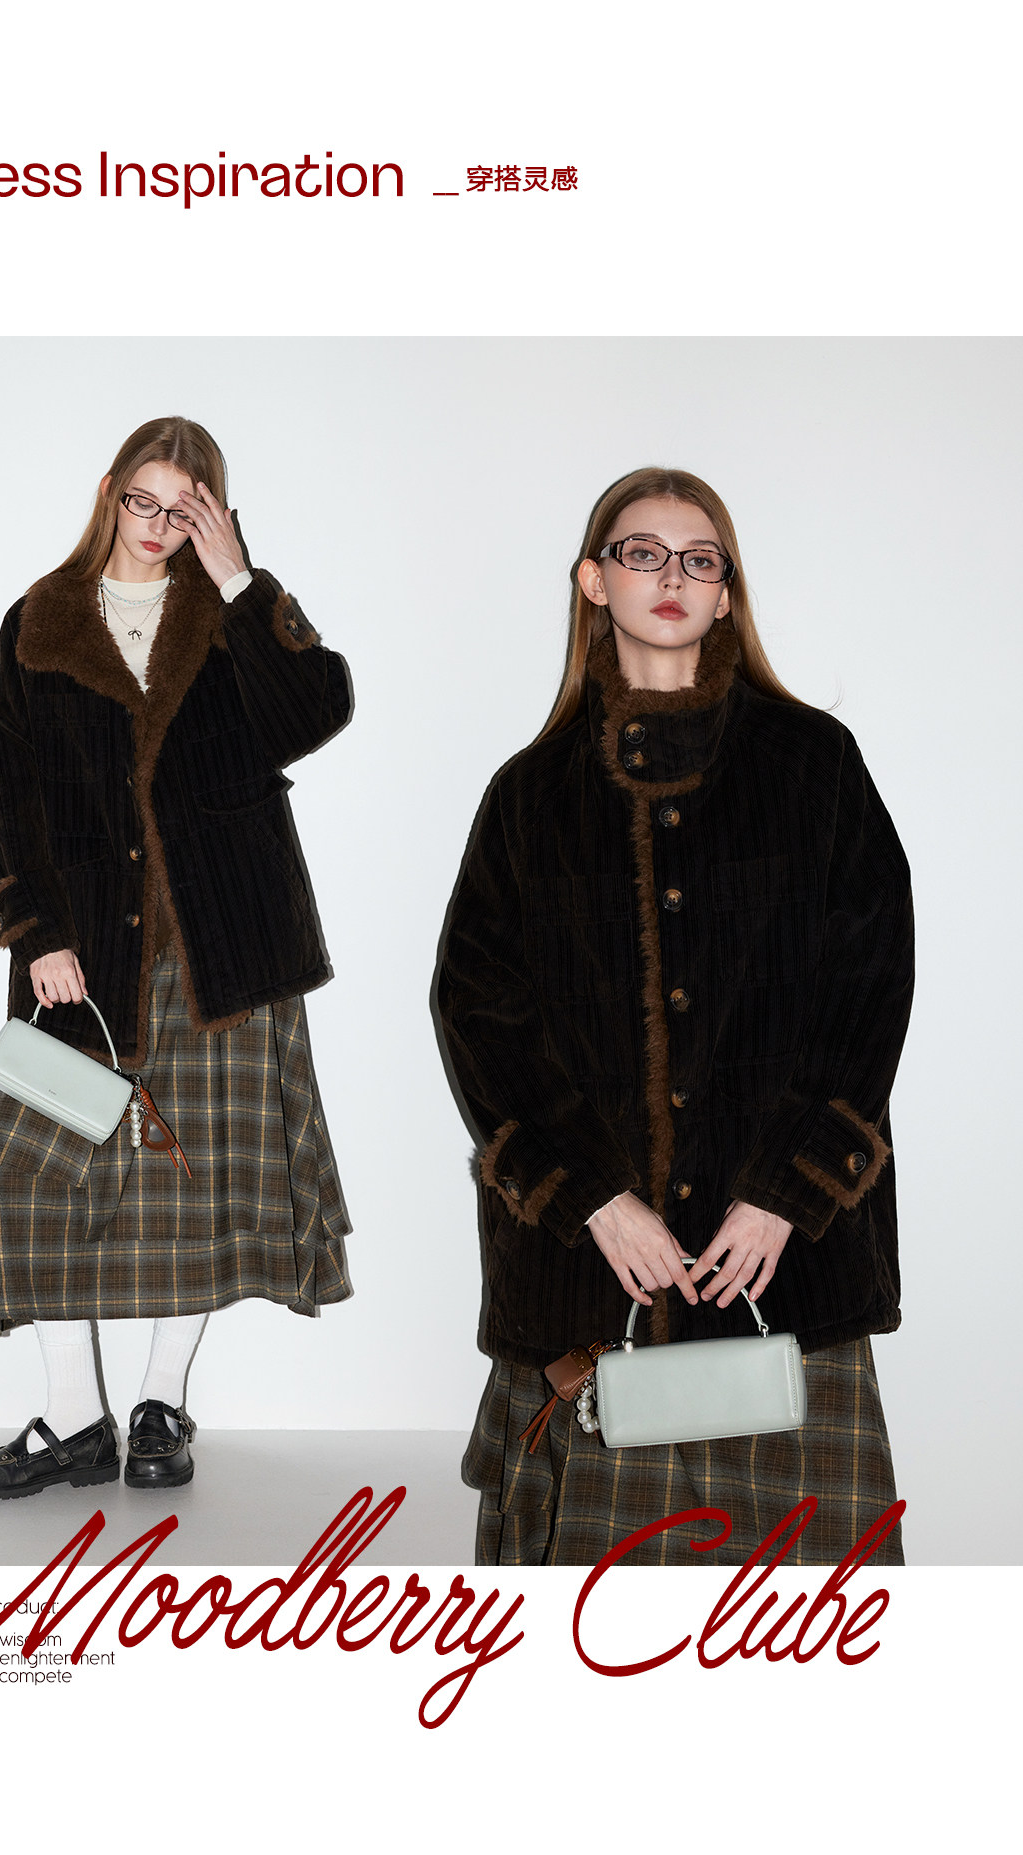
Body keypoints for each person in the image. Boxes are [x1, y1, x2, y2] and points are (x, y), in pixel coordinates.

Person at [438, 467, 913, 1567]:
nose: (673, 575)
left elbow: (869, 988)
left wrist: (789, 1191)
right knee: (589, 1627)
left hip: (782, 1269)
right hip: (592, 1274)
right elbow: (478, 1014)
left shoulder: (815, 766)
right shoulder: (530, 794)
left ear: (727, 593)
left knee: (815, 1622)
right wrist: (594, 1200)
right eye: (642, 553)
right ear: (593, 581)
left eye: (701, 559)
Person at [0, 416, 352, 1500]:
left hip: (221, 943)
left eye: (186, 509)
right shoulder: (40, 620)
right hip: (85, 953)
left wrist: (243, 578)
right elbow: (7, 795)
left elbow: (319, 709)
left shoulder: (227, 617)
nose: (161, 524)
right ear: (109, 491)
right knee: (45, 1180)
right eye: (145, 500)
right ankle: (72, 1419)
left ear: (212, 514)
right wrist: (36, 932)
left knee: (197, 1184)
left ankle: (160, 1403)